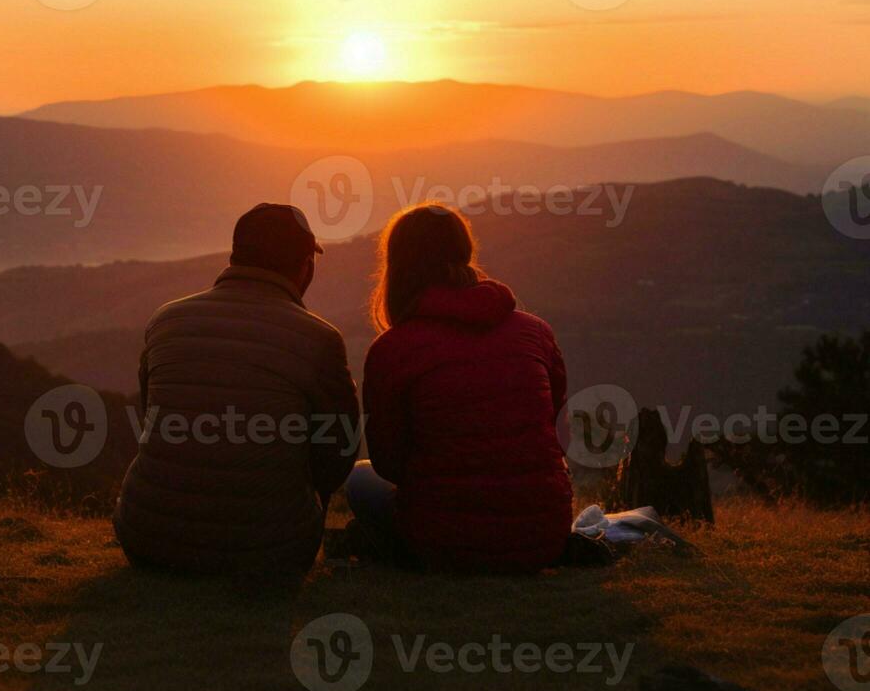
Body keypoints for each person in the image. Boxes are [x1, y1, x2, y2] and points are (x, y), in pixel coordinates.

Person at [114, 203, 359, 576]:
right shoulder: (320, 339)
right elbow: (339, 454)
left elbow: (151, 416)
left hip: (148, 540)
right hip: (268, 554)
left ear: (235, 254)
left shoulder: (166, 321)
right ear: (305, 264)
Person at [347, 204, 573, 572]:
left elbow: (389, 463)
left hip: (443, 544)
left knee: (360, 477)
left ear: (398, 265)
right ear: (465, 251)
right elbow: (561, 438)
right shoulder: (535, 332)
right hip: (543, 538)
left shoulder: (393, 349)